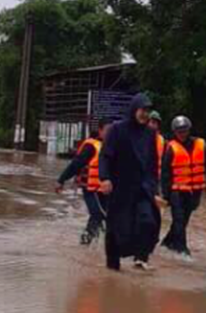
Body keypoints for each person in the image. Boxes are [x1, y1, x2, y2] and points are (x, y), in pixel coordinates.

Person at [98, 93, 162, 272]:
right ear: (134, 109)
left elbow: (153, 164)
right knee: (115, 230)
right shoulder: (117, 130)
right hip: (119, 188)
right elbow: (105, 156)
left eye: (148, 111)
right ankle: (112, 268)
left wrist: (154, 189)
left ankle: (141, 258)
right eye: (142, 110)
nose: (145, 114)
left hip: (142, 189)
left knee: (149, 222)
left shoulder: (150, 134)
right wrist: (105, 178)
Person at [160, 116, 206, 258]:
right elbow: (165, 174)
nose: (182, 134)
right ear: (174, 132)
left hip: (194, 191)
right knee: (179, 219)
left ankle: (167, 243)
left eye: (184, 130)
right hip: (177, 191)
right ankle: (182, 250)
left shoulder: (201, 144)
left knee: (183, 221)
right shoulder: (171, 147)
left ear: (189, 130)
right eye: (179, 131)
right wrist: (166, 195)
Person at [56, 119, 112, 246]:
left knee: (104, 217)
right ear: (100, 130)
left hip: (106, 190)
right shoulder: (91, 146)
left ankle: (90, 244)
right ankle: (86, 243)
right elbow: (76, 164)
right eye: (108, 131)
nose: (110, 134)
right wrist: (61, 180)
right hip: (90, 189)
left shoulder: (114, 147)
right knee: (98, 214)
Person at [148, 110, 166, 178]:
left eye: (154, 122)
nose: (151, 125)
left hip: (158, 178)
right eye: (148, 122)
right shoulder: (138, 139)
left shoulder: (163, 142)